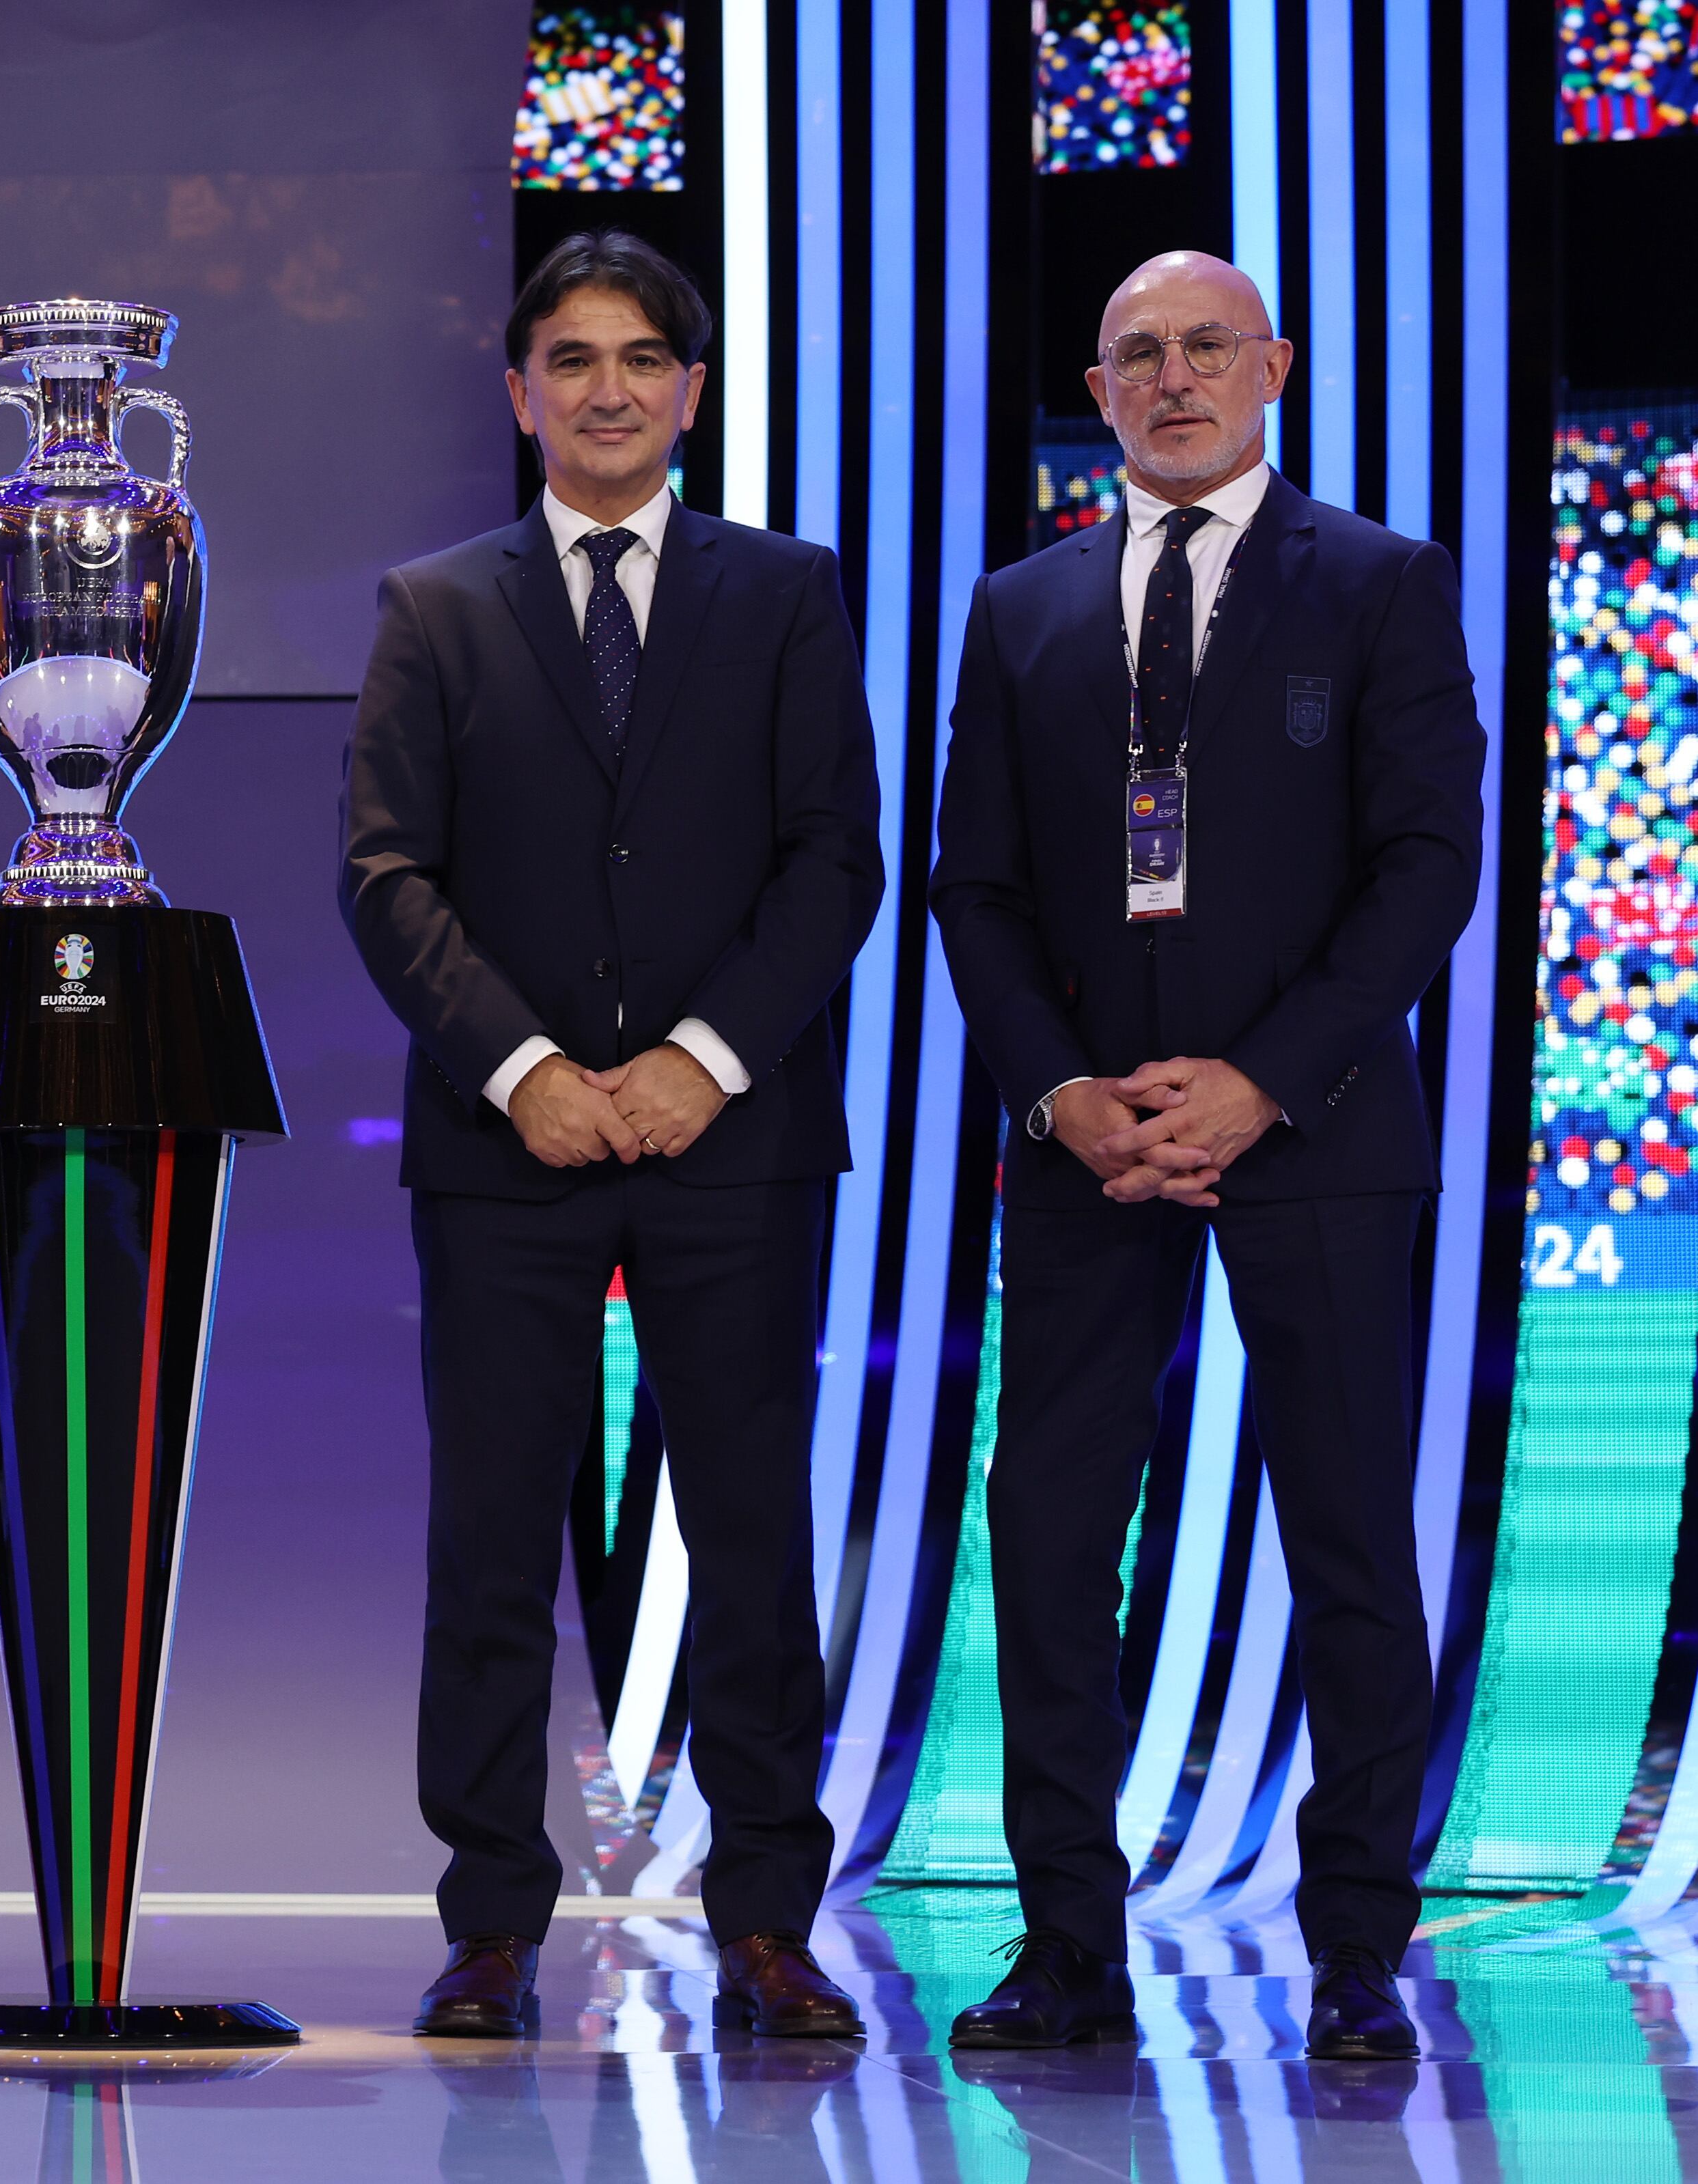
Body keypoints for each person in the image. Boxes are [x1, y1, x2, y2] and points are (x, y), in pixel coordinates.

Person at [929, 251, 1483, 2060]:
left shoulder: (1380, 585)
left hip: (1312, 1130)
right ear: (1096, 393)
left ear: (1272, 369)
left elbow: (1424, 863)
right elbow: (978, 887)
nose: (1171, 378)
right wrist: (1059, 1090)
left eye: (1202, 349)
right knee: (1046, 1526)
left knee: (1342, 1538)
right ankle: (1063, 1940)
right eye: (1135, 356)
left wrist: (1260, 1077)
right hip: (1084, 1143)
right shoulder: (1015, 612)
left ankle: (1351, 1949)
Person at [341, 230, 885, 2040]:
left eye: (640, 358)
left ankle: (763, 1922)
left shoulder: (785, 589)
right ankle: (489, 1919)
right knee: (487, 1542)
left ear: (690, 391)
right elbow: (382, 872)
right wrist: (527, 1070)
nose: (604, 389)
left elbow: (832, 856)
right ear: (516, 394)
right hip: (505, 1150)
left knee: (747, 1534)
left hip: (729, 1142)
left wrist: (699, 1058)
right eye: (567, 360)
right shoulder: (433, 603)